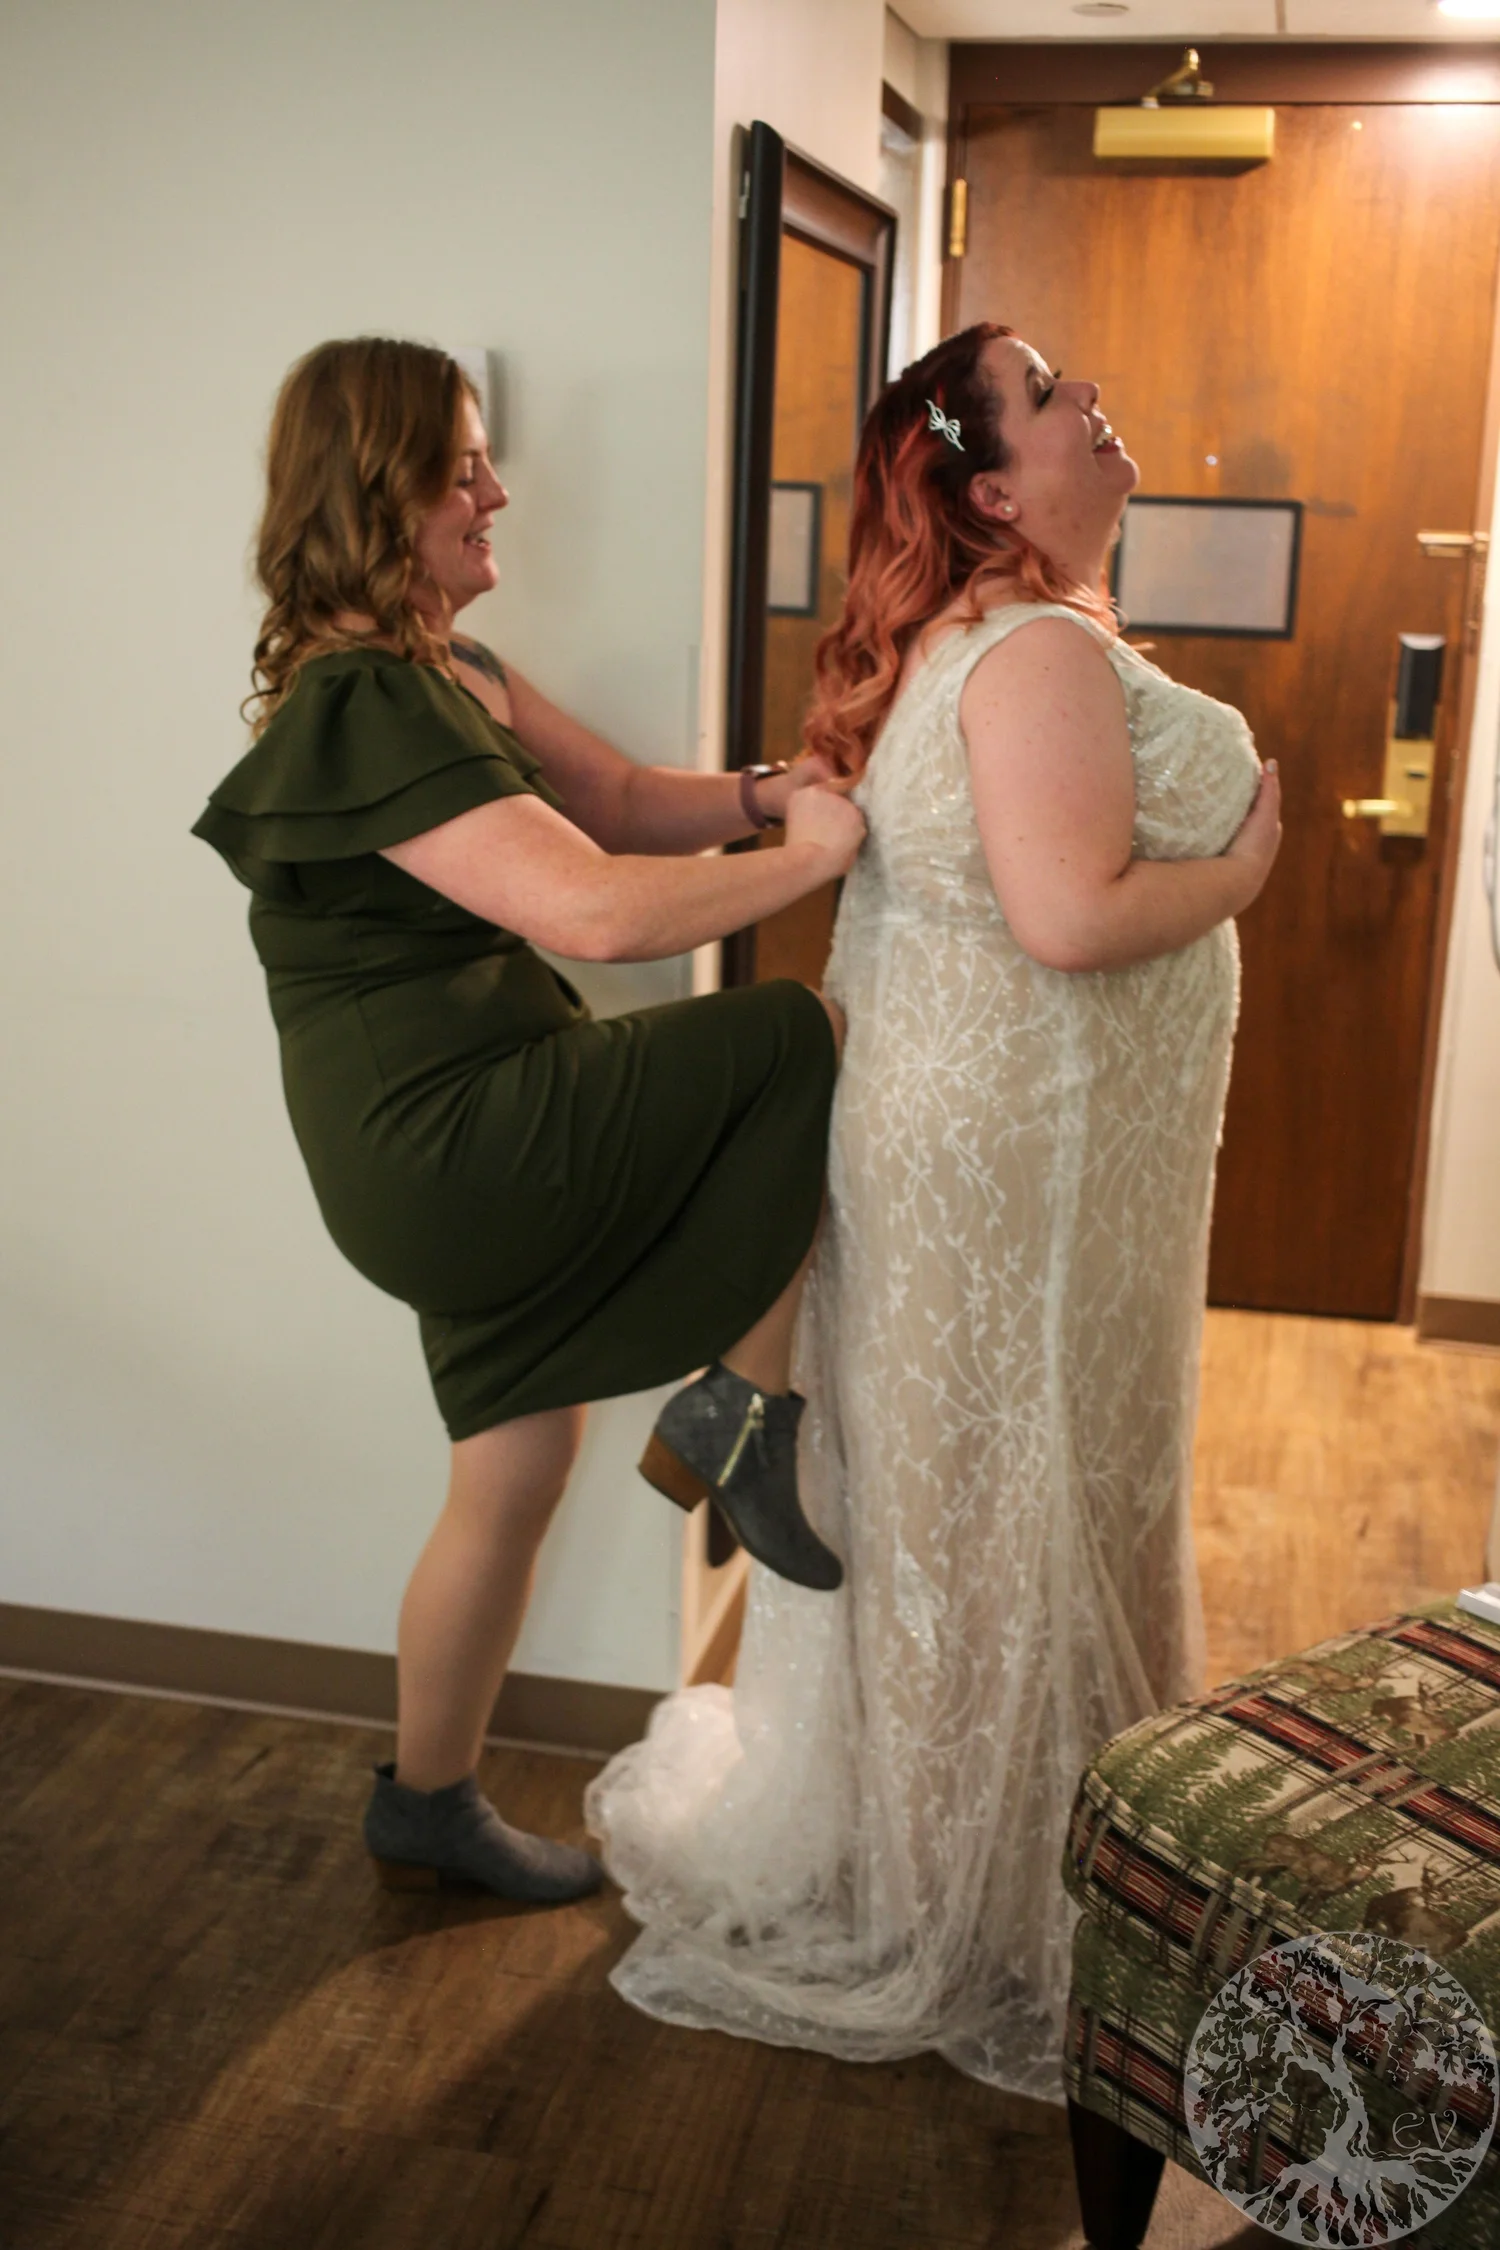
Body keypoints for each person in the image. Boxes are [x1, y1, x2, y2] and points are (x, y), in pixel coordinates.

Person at [586, 323, 1283, 2102]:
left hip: (982, 1140)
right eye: (1049, 394)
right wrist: (1240, 873)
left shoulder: (968, 640)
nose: (1093, 395)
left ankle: (947, 1861)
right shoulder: (1029, 649)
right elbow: (1070, 914)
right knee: (998, 1507)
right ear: (991, 491)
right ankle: (1000, 1906)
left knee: (951, 1505)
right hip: (1015, 1166)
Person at [191, 337, 864, 1906]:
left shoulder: (454, 672)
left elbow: (614, 801)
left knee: (514, 1462)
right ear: (380, 492)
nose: (497, 492)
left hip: (430, 1141)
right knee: (795, 1035)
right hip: (451, 1139)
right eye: (464, 466)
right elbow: (599, 909)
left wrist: (768, 794)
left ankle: (426, 1802)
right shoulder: (365, 705)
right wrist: (814, 861)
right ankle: (741, 1417)